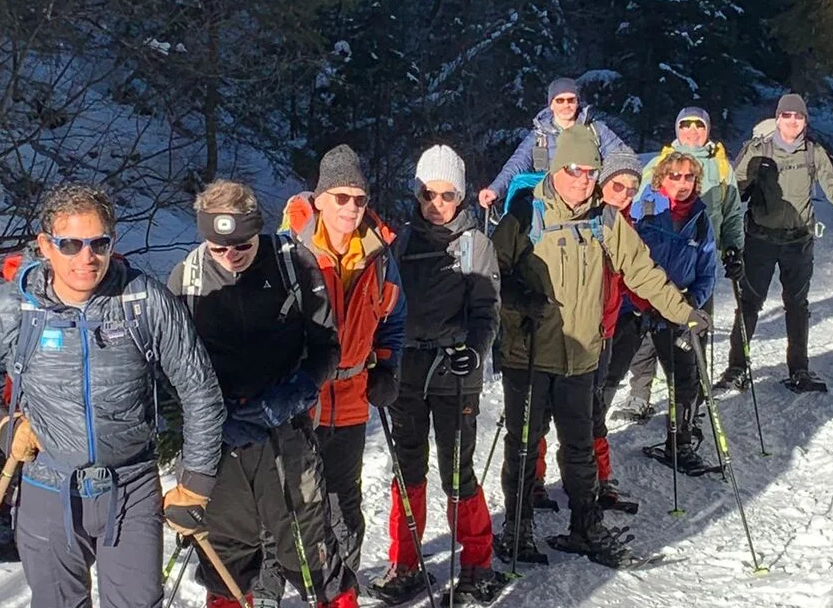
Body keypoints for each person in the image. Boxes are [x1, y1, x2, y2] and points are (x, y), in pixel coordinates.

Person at [0, 182, 225, 608]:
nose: (86, 258)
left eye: (98, 243)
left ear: (112, 242)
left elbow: (199, 388)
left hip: (131, 488)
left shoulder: (143, 300)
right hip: (48, 488)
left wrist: (195, 481)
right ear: (46, 246)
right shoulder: (20, 307)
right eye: (70, 244)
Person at [490, 124, 711, 568]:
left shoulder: (605, 218)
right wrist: (517, 300)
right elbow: (490, 277)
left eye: (591, 171)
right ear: (557, 167)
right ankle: (516, 529)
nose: (583, 179)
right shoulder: (524, 215)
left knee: (579, 446)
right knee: (524, 444)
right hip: (529, 353)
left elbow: (643, 272)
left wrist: (683, 311)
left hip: (581, 356)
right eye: (575, 169)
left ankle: (586, 528)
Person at [166, 180, 358, 608]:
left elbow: (327, 347)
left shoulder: (293, 265)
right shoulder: (187, 279)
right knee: (226, 558)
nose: (230, 256)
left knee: (309, 548)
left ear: (258, 232)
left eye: (242, 246)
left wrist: (294, 394)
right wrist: (207, 415)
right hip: (218, 437)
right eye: (219, 247)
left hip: (283, 429)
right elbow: (172, 366)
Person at [264, 144, 406, 598]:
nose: (350, 207)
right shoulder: (290, 252)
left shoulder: (379, 254)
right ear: (320, 198)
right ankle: (269, 590)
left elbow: (395, 318)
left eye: (359, 198)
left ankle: (339, 592)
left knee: (344, 502)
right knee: (285, 499)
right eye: (340, 197)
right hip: (299, 396)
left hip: (351, 396)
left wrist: (386, 365)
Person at [368, 145, 508, 604]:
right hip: (408, 367)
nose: (437, 204)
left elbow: (487, 310)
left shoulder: (474, 244)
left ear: (462, 196)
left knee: (456, 470)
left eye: (447, 195)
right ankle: (405, 563)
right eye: (429, 194)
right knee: (406, 467)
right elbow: (384, 302)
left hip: (454, 368)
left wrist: (476, 349)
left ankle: (477, 564)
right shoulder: (402, 243)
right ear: (417, 194)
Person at [721, 93, 833, 393]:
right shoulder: (759, 150)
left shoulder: (813, 153)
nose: (792, 121)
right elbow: (732, 192)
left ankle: (799, 370)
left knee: (797, 306)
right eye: (787, 116)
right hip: (760, 239)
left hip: (799, 241)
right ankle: (736, 368)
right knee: (748, 305)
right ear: (778, 118)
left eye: (798, 117)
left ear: (805, 121)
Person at [530, 151, 645, 513]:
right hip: (564, 334)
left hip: (605, 332)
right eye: (616, 185)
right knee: (545, 412)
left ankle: (596, 478)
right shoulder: (588, 219)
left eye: (631, 189)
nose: (623, 194)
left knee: (592, 411)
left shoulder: (627, 226)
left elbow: (640, 279)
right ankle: (535, 480)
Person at [619, 106, 743, 418]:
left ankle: (690, 404)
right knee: (646, 340)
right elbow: (637, 207)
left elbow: (732, 211)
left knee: (691, 337)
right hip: (653, 276)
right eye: (685, 126)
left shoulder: (721, 166)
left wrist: (733, 247)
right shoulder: (659, 164)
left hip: (698, 257)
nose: (691, 131)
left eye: (698, 126)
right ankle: (639, 394)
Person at [619, 153, 718, 474]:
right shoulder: (641, 208)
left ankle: (681, 443)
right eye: (675, 176)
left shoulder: (701, 219)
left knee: (685, 379)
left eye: (689, 177)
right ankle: (591, 451)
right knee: (607, 379)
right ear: (661, 178)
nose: (683, 183)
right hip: (634, 306)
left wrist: (693, 301)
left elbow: (707, 273)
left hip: (678, 310)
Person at [477, 77, 633, 209]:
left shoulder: (596, 130)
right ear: (551, 104)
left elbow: (622, 159)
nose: (566, 105)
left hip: (589, 201)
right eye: (560, 100)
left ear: (578, 102)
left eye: (571, 100)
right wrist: (495, 190)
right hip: (548, 205)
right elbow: (517, 164)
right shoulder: (539, 136)